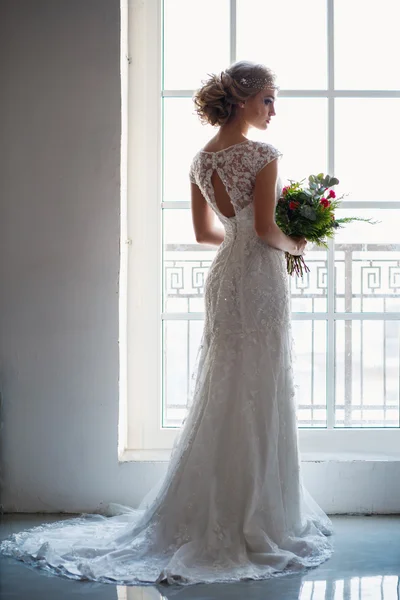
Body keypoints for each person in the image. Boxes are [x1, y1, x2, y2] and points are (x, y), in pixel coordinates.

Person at [0, 60, 333, 586]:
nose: (273, 110)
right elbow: (268, 228)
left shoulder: (201, 161)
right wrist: (298, 242)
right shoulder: (263, 155)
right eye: (268, 99)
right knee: (260, 383)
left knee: (224, 386)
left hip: (225, 277)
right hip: (260, 279)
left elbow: (207, 234)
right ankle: (260, 514)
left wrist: (245, 236)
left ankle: (208, 507)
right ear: (244, 101)